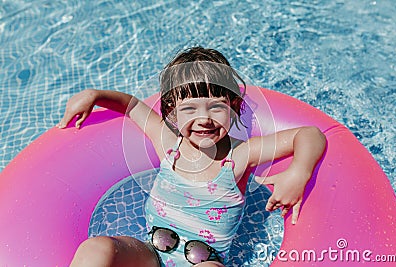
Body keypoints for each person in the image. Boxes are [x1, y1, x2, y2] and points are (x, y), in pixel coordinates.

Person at [58, 47, 326, 267]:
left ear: (234, 106)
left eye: (216, 107)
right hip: (151, 253)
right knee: (96, 247)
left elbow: (310, 134)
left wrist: (299, 172)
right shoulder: (168, 143)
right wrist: (94, 95)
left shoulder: (240, 156)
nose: (204, 119)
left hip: (205, 261)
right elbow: (132, 105)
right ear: (172, 113)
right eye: (190, 109)